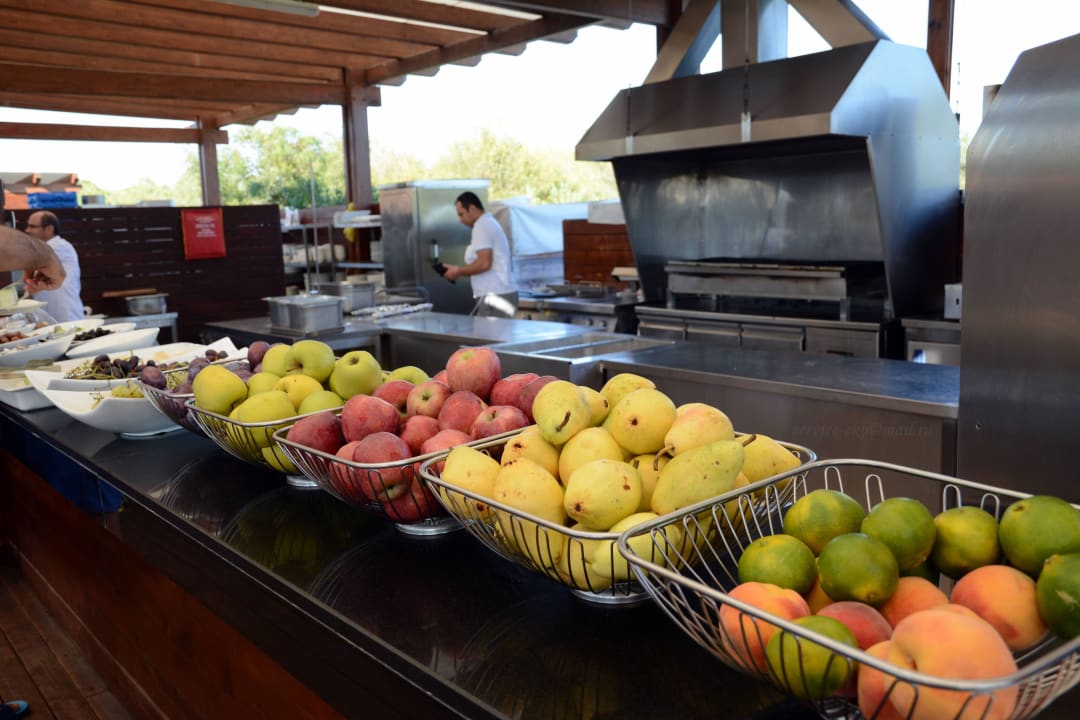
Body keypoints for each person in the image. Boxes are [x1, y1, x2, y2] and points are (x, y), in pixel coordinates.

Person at [443, 192, 518, 318]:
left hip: (496, 296)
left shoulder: (482, 225)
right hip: (495, 295)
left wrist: (458, 271)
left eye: (461, 214)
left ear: (472, 208)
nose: (460, 220)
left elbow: (484, 263)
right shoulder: (487, 224)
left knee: (491, 337)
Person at [22, 211, 84, 321]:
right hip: (51, 314)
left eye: (33, 226)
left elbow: (28, 265)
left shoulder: (59, 245)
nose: (27, 230)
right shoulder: (43, 249)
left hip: (66, 315)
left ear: (49, 229)